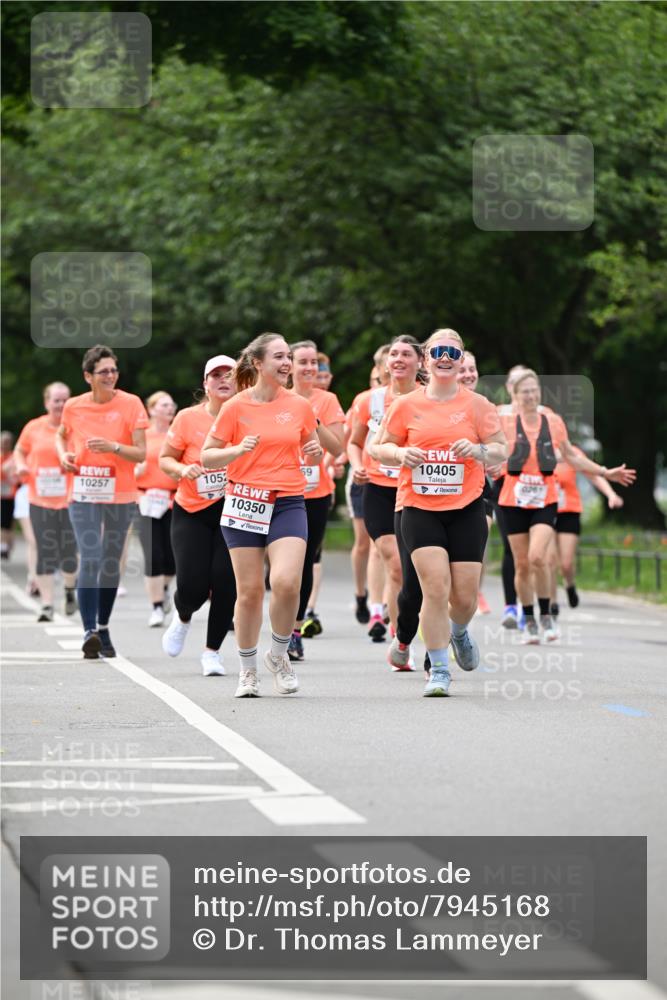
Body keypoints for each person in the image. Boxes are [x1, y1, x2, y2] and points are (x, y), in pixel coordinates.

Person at [375, 328, 508, 697]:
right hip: (419, 507)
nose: (445, 357)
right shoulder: (406, 405)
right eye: (437, 351)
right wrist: (400, 454)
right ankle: (439, 669)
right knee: (435, 588)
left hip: (466, 507)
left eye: (453, 351)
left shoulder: (479, 406)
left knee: (464, 599)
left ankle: (458, 631)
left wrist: (479, 451)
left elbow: (501, 448)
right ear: (426, 358)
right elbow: (378, 447)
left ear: (462, 358)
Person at [201, 333, 321, 698]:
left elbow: (310, 447)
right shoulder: (235, 407)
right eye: (279, 357)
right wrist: (237, 450)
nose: (287, 363)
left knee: (286, 582)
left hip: (287, 501)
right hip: (244, 501)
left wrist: (314, 452)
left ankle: (279, 656)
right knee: (250, 591)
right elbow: (207, 456)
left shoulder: (299, 405)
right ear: (258, 363)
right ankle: (248, 671)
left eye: (288, 357)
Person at [497, 369, 636, 644]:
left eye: (534, 390)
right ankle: (529, 620)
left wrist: (604, 472)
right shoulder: (504, 422)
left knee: (538, 557)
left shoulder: (553, 421)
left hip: (545, 500)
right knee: (522, 565)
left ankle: (547, 615)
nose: (531, 395)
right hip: (512, 501)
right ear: (515, 394)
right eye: (525, 391)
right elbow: (488, 449)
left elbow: (572, 456)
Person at [56, 345, 148, 659]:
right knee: (91, 555)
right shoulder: (73, 406)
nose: (110, 376)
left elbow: (141, 453)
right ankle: (89, 632)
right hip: (83, 492)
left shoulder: (131, 404)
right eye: (103, 371)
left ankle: (104, 626)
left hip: (120, 493)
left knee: (110, 560)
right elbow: (61, 435)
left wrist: (113, 446)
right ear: (88, 376)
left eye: (113, 370)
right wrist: (63, 455)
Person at [159, 356, 238, 676]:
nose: (223, 379)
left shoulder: (249, 416)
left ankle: (212, 652)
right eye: (215, 375)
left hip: (234, 510)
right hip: (192, 509)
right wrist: (182, 470)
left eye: (229, 374)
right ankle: (182, 617)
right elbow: (165, 459)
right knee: (192, 585)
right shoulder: (187, 418)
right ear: (205, 384)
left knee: (226, 581)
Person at [348, 336, 422, 641]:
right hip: (378, 489)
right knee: (395, 564)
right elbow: (354, 443)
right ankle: (399, 638)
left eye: (406, 354)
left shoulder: (429, 398)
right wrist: (357, 466)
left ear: (420, 361)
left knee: (416, 569)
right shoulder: (370, 400)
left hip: (417, 490)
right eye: (394, 354)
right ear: (386, 363)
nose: (399, 359)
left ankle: (420, 626)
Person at [286, 340, 345, 659]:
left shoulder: (327, 400)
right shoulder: (276, 398)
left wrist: (313, 420)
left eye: (314, 363)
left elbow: (337, 446)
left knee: (305, 562)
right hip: (279, 490)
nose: (310, 368)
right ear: (289, 366)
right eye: (303, 362)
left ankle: (294, 632)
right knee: (279, 568)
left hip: (314, 493)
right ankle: (274, 623)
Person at [13, 382, 78, 621]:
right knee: (44, 549)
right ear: (46, 402)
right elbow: (20, 450)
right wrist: (21, 466)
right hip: (40, 498)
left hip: (70, 499)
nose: (60, 404)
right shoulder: (34, 427)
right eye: (56, 400)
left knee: (69, 551)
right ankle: (47, 604)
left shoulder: (76, 427)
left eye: (65, 400)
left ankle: (69, 591)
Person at [548, 445, 624, 617]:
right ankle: (552, 603)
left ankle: (569, 585)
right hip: (544, 510)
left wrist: (611, 494)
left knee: (566, 563)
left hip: (569, 511)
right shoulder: (536, 450)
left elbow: (593, 475)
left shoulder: (572, 452)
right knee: (549, 560)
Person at [134, 391, 177, 628]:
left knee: (172, 558)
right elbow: (127, 466)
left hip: (173, 500)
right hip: (146, 499)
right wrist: (135, 471)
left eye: (171, 405)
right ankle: (157, 607)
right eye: (164, 405)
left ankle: (164, 588)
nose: (169, 409)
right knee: (153, 554)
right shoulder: (143, 436)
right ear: (151, 409)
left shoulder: (177, 434)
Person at [458, 351, 493, 614]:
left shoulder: (483, 405)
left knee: (481, 536)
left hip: (479, 485)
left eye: (473, 369)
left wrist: (494, 459)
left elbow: (498, 446)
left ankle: (474, 590)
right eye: (463, 369)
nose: (469, 374)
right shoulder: (434, 403)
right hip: (443, 488)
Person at [1, 431, 17, 560]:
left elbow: (16, 478)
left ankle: (6, 546)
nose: (5, 444)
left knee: (7, 522)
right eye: (3, 441)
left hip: (10, 495)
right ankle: (4, 546)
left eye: (7, 442)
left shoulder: (14, 457)